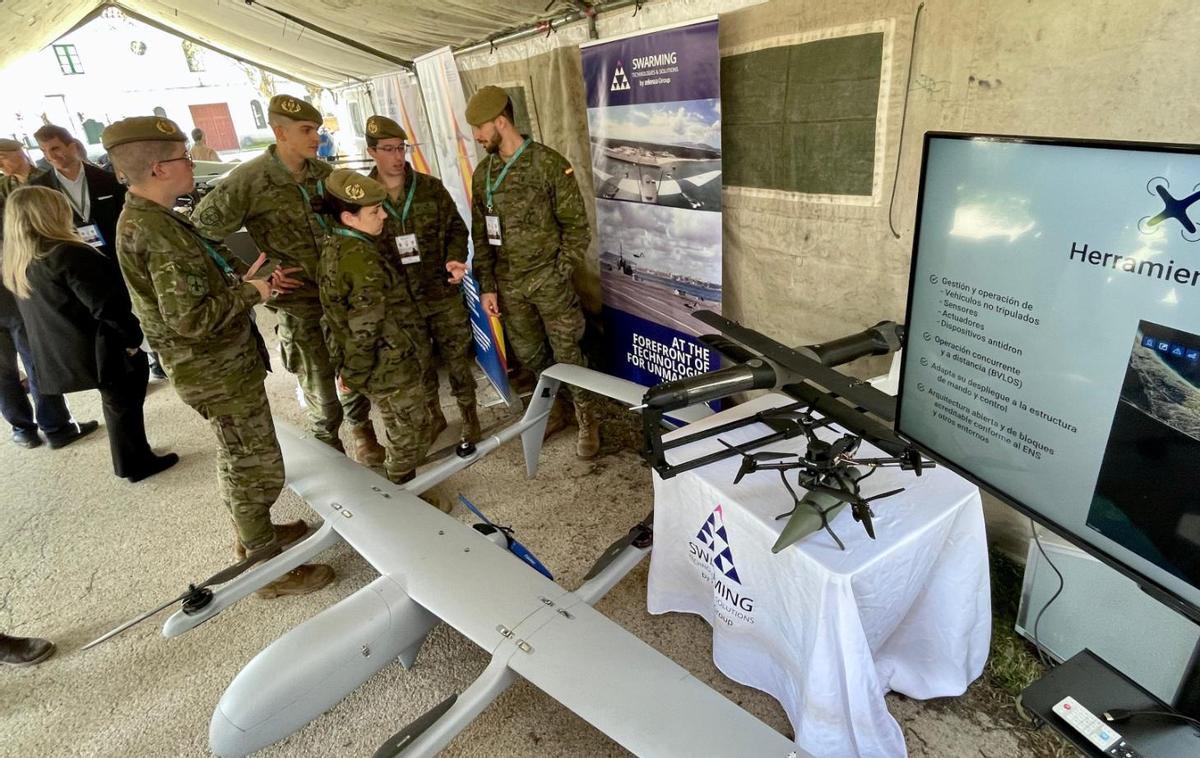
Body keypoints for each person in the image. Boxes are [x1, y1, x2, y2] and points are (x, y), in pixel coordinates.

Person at [103, 115, 334, 596]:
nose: (192, 163)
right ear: (159, 169)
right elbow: (189, 318)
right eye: (184, 158)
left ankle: (256, 538)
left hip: (218, 365)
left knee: (237, 456)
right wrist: (253, 292)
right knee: (257, 464)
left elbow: (188, 294)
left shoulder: (155, 217)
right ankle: (267, 571)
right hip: (215, 370)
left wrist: (243, 279)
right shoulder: (156, 232)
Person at [191, 95, 385, 465]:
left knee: (353, 372)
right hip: (298, 307)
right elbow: (200, 231)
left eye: (317, 129)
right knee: (321, 391)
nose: (316, 137)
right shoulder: (248, 181)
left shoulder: (326, 176)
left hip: (338, 298)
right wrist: (255, 274)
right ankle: (330, 451)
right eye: (306, 130)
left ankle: (363, 431)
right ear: (280, 132)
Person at [2, 185, 177, 481]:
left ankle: (130, 459)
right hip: (103, 347)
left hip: (69, 350)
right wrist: (132, 340)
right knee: (125, 403)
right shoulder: (70, 253)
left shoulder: (21, 259)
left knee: (118, 403)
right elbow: (106, 306)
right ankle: (135, 462)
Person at [465, 86, 599, 459]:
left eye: (480, 128)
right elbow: (482, 234)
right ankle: (554, 410)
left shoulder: (549, 164)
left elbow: (577, 229)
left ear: (501, 122)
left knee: (568, 352)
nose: (477, 136)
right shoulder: (483, 174)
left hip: (549, 283)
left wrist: (558, 273)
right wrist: (488, 286)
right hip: (509, 286)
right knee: (531, 354)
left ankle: (587, 417)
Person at [365, 115, 479, 443]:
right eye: (389, 149)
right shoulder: (364, 198)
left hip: (440, 291)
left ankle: (469, 415)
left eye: (402, 148)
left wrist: (456, 257)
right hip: (399, 301)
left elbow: (457, 227)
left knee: (457, 357)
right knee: (419, 362)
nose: (398, 157)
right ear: (372, 152)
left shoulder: (430, 188)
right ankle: (434, 416)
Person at [317, 169, 433, 488]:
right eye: (374, 211)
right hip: (387, 366)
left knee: (403, 426)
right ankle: (402, 492)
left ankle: (399, 480)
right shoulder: (359, 259)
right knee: (409, 432)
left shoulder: (338, 243)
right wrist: (352, 376)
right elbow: (365, 327)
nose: (383, 215)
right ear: (348, 218)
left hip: (380, 361)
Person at [0, 139, 97, 450]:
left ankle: (25, 428)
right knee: (33, 355)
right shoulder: (8, 190)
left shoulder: (20, 183)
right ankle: (53, 426)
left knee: (10, 364)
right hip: (12, 283)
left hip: (11, 278)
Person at [30, 125, 125, 261]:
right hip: (72, 261)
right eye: (44, 151)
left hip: (114, 256)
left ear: (72, 147)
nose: (50, 156)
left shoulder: (108, 180)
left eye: (55, 148)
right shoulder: (39, 188)